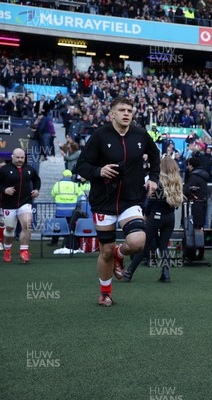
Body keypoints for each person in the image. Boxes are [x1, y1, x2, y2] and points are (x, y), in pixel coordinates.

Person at [75, 97, 160, 307]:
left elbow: (155, 155)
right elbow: (81, 165)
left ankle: (119, 254)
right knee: (105, 251)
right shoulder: (99, 136)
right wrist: (98, 170)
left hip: (130, 199)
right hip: (103, 201)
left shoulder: (141, 135)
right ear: (112, 113)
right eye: (121, 110)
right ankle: (105, 293)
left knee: (139, 241)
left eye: (130, 110)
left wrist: (154, 179)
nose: (126, 113)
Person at [123, 157, 184, 283]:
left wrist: (145, 214)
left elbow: (150, 201)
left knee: (143, 245)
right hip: (169, 217)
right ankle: (166, 274)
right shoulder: (177, 182)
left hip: (155, 216)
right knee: (163, 246)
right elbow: (176, 204)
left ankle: (128, 273)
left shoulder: (158, 182)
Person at [0, 148, 41, 263]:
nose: (20, 160)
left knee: (27, 225)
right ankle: (7, 250)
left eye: (22, 157)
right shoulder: (4, 170)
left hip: (25, 202)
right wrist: (4, 189)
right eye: (18, 157)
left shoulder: (29, 169)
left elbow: (37, 180)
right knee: (10, 229)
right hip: (9, 204)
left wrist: (36, 189)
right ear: (12, 157)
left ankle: (24, 252)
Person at [49, 169, 84, 247]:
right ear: (71, 176)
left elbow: (53, 194)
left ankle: (54, 242)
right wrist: (75, 200)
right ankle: (69, 242)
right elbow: (81, 194)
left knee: (57, 226)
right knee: (71, 226)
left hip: (60, 209)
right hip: (71, 210)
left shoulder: (57, 184)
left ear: (63, 176)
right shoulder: (75, 185)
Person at [183, 156, 210, 229]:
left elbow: (186, 189)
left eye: (188, 165)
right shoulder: (203, 175)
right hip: (202, 204)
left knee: (193, 229)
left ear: (191, 165)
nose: (188, 167)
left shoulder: (194, 176)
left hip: (194, 206)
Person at [0, 157, 5, 251]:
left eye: (2, 167)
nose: (0, 168)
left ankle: (0, 241)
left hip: (5, 203)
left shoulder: (8, 175)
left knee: (3, 224)